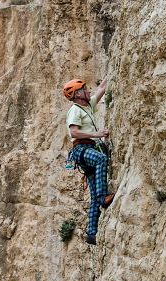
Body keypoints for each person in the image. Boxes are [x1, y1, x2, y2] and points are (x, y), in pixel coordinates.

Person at [63, 77, 115, 245]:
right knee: (101, 159)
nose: (89, 91)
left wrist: (110, 76)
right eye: (85, 89)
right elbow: (74, 133)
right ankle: (103, 197)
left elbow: (100, 90)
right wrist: (97, 134)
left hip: (88, 150)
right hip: (81, 150)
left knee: (93, 194)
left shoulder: (87, 107)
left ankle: (92, 233)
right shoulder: (75, 110)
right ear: (78, 94)